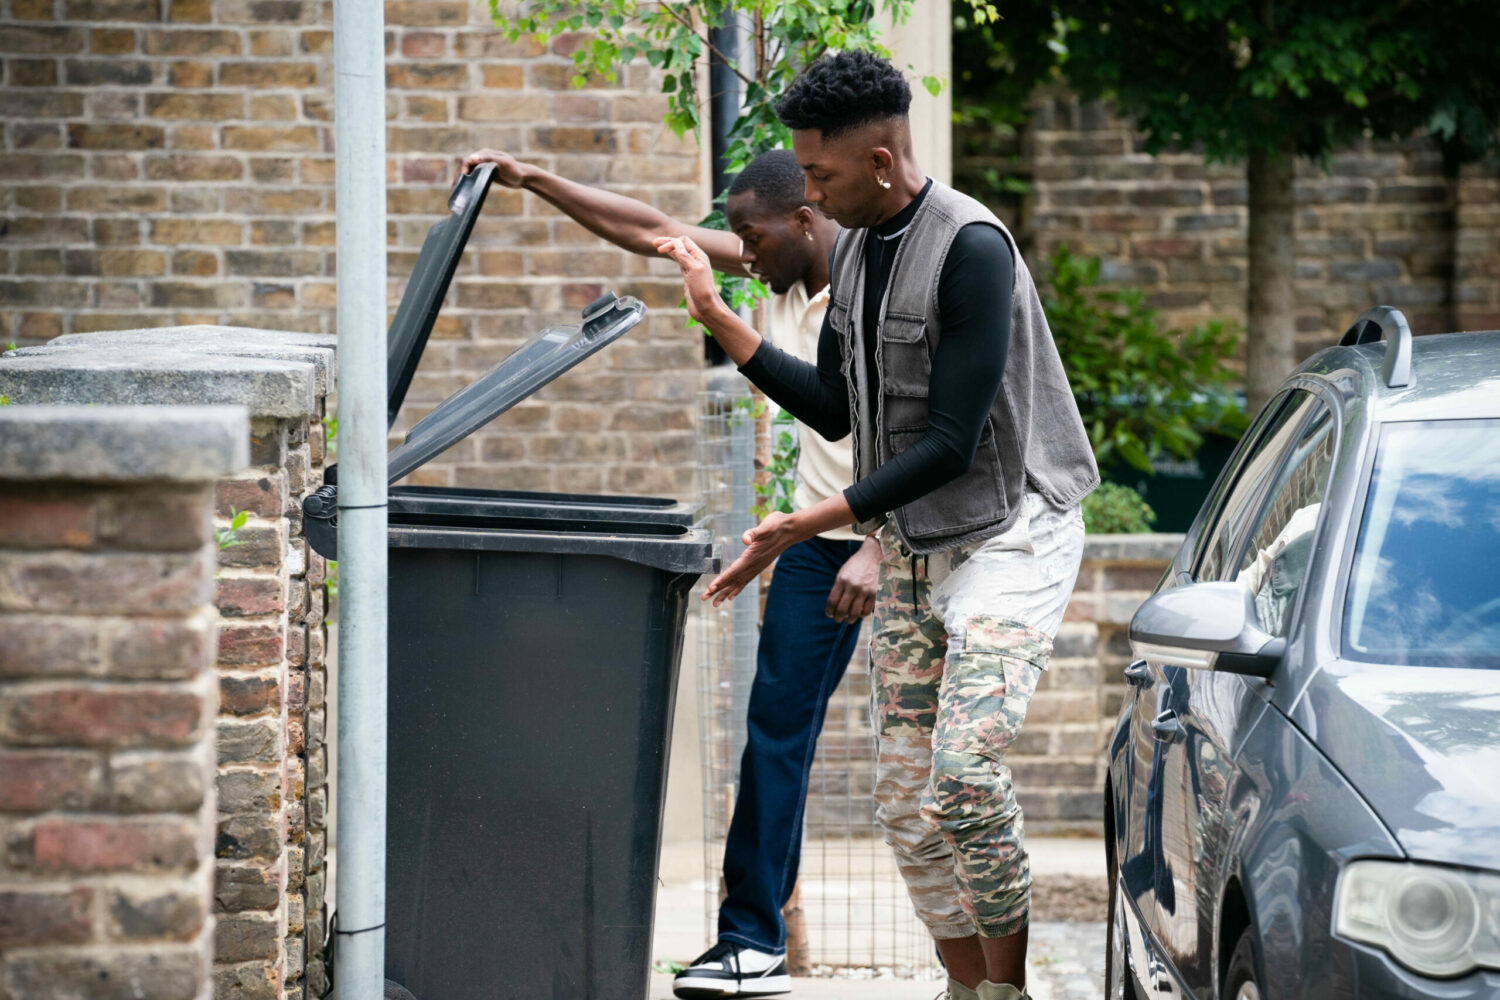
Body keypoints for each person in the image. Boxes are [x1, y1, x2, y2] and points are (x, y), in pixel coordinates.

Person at [655, 52, 1099, 1000]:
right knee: (905, 801)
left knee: (965, 775)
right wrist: (719, 320)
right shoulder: (854, 251)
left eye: (820, 175)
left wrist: (803, 523)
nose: (808, 195)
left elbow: (950, 440)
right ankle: (965, 984)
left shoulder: (971, 247)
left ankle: (1010, 992)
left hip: (1013, 531)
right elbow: (831, 407)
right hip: (918, 538)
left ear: (884, 165)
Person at [459, 147, 883, 998]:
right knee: (776, 731)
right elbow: (651, 231)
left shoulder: (877, 289)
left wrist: (885, 543)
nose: (742, 252)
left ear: (805, 218)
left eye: (750, 237)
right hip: (813, 539)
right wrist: (533, 178)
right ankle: (750, 942)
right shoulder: (786, 267)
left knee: (927, 761)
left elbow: (933, 429)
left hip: (899, 538)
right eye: (738, 240)